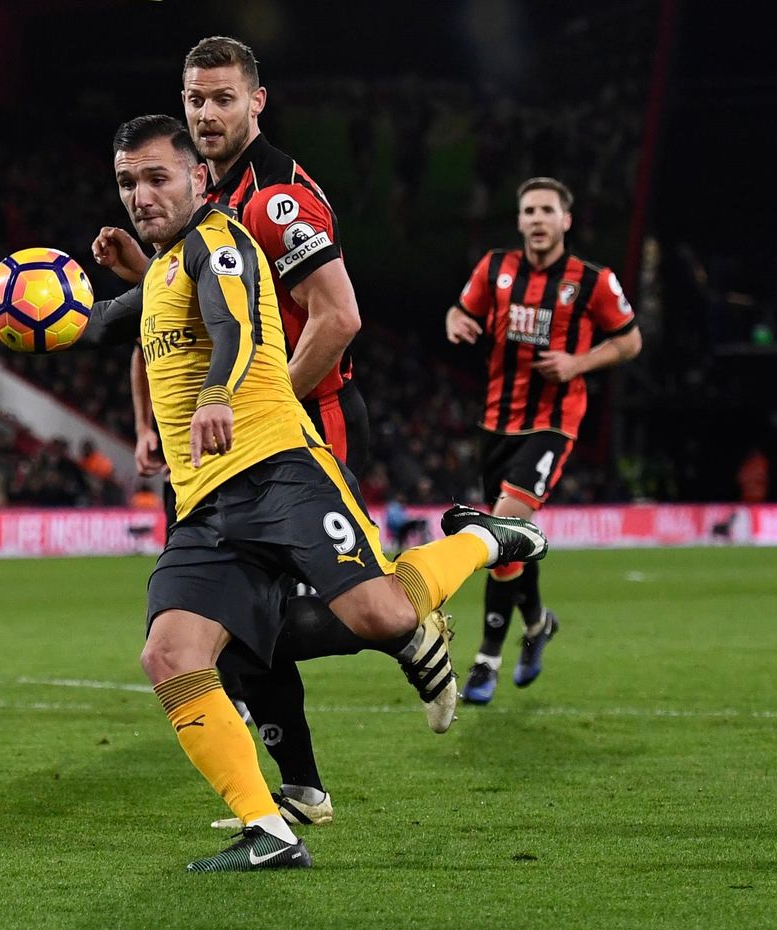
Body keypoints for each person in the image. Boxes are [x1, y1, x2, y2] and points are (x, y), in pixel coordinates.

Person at [75, 114, 547, 871]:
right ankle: (271, 830)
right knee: (172, 654)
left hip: (279, 471)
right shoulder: (165, 267)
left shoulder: (218, 240)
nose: (140, 193)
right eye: (128, 180)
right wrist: (38, 315)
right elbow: (102, 322)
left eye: (156, 176)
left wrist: (220, 394)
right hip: (206, 504)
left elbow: (232, 324)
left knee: (382, 611)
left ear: (198, 179)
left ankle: (488, 536)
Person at [92, 36, 432, 834]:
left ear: (257, 102)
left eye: (221, 99)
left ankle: (425, 605)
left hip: (299, 424)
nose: (205, 113)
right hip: (222, 437)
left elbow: (338, 317)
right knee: (230, 619)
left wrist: (249, 403)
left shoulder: (278, 196)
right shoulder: (193, 197)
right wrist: (143, 279)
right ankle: (302, 789)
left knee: (295, 613)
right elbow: (189, 311)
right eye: (194, 99)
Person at [445, 177, 642, 705]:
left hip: (553, 422)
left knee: (503, 527)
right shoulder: (495, 268)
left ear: (565, 221)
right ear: (519, 220)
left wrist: (579, 363)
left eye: (547, 210)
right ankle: (537, 625)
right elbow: (461, 309)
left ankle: (486, 659)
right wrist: (458, 323)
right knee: (514, 540)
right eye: (529, 210)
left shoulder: (594, 281)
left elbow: (630, 340)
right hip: (496, 422)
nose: (537, 219)